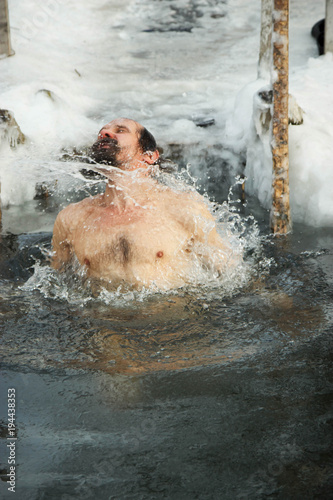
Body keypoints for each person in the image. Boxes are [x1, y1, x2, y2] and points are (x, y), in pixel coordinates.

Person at [51, 118, 238, 290]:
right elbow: (55, 283)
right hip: (102, 324)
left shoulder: (183, 209)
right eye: (102, 132)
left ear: (149, 156)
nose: (105, 134)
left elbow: (230, 274)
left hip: (172, 321)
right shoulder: (72, 219)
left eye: (121, 130)